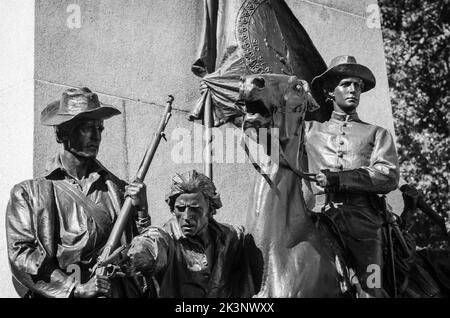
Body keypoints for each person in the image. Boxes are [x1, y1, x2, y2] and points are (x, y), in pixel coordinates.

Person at [6, 87, 150, 298]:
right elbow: (22, 256)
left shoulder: (118, 189)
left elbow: (140, 253)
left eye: (99, 129)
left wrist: (142, 212)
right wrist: (73, 289)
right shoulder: (28, 194)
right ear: (64, 132)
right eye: (87, 128)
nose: (96, 136)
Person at [304, 56, 400, 297]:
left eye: (358, 86)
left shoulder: (377, 133)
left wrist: (339, 179)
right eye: (346, 84)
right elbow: (266, 137)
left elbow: (387, 175)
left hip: (365, 225)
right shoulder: (308, 131)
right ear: (329, 91)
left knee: (373, 286)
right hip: (318, 217)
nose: (354, 90)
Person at [126, 170, 254, 298]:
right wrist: (142, 253)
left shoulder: (230, 237)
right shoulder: (167, 238)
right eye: (180, 209)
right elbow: (151, 242)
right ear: (173, 210)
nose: (186, 216)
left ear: (210, 209)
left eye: (195, 208)